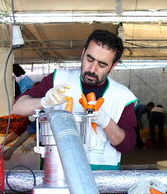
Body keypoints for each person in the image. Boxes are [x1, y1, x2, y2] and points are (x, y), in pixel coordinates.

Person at [12, 29, 138, 170]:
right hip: (58, 170)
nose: (92, 69)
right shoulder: (58, 79)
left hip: (101, 175)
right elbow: (17, 107)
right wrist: (43, 102)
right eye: (89, 59)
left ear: (113, 66)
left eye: (102, 65)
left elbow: (127, 146)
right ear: (83, 53)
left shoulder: (122, 96)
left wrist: (106, 122)